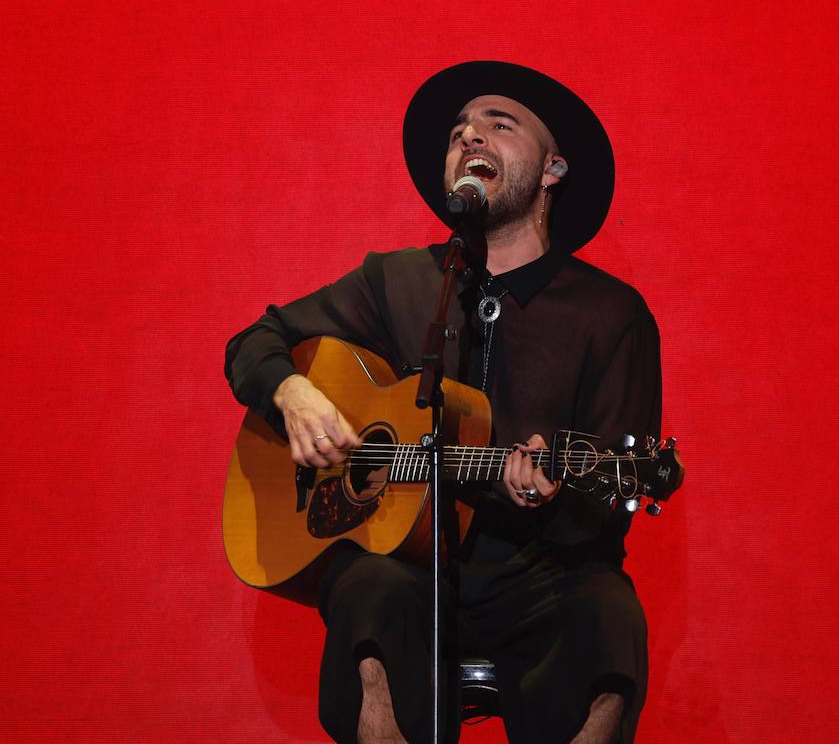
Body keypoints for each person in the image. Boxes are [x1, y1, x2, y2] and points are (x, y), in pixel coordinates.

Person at [225, 61, 662, 744]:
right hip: (408, 569)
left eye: (499, 123)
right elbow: (258, 339)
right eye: (460, 131)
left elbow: (605, 513)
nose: (470, 137)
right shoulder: (399, 280)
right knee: (369, 589)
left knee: (608, 613)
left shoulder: (611, 314)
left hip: (540, 577)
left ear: (552, 168)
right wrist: (293, 391)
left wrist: (550, 494)